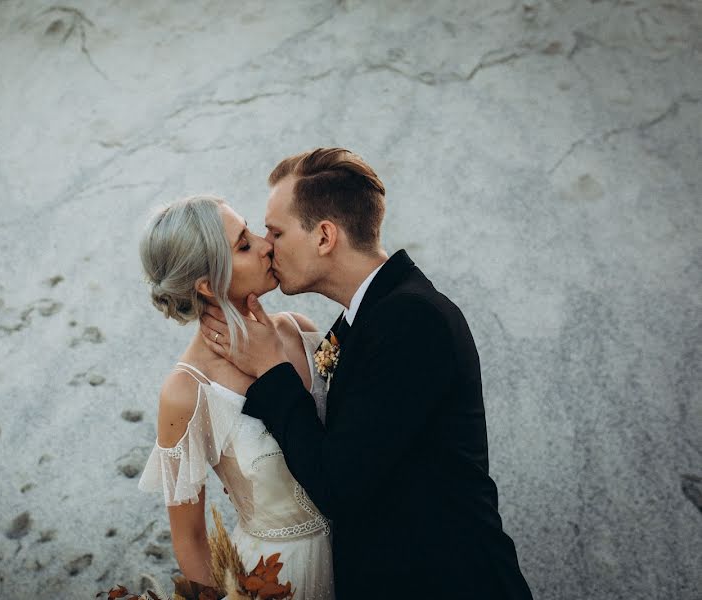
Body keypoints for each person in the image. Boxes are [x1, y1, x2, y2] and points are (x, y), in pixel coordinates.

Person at [200, 148, 534, 599]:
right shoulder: (363, 319)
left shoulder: (413, 320)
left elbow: (338, 484)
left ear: (324, 237)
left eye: (276, 232)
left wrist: (271, 369)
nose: (266, 245)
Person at [137, 195, 335, 599]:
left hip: (363, 554)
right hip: (278, 578)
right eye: (244, 245)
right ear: (208, 285)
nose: (266, 245)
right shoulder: (185, 392)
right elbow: (189, 539)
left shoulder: (299, 331)